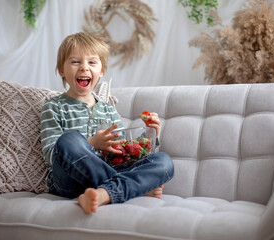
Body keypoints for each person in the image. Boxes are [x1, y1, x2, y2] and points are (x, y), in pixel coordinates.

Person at [40, 32, 174, 214]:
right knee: (69, 140)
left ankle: (105, 193)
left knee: (164, 161)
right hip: (67, 182)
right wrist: (91, 144)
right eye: (75, 62)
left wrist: (150, 134)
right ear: (62, 70)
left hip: (104, 175)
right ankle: (133, 187)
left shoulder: (108, 109)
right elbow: (52, 155)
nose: (84, 68)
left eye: (92, 62)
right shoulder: (53, 106)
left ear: (102, 70)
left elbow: (124, 152)